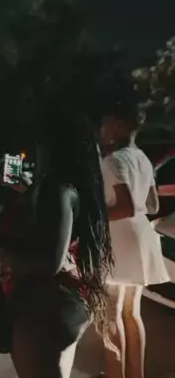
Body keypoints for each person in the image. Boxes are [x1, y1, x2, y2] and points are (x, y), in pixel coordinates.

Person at [0, 109, 113, 378]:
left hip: (44, 307)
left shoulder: (56, 188)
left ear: (52, 146)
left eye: (40, 142)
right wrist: (30, 190)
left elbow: (49, 261)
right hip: (67, 302)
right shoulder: (75, 185)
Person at [99, 104, 169, 378]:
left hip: (120, 239)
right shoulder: (143, 159)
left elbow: (124, 207)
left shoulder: (113, 161)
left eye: (105, 124)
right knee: (131, 312)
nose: (102, 130)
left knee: (110, 315)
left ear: (118, 126)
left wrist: (95, 214)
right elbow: (152, 205)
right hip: (140, 235)